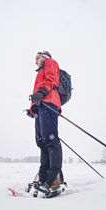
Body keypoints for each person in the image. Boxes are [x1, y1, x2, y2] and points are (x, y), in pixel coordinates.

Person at [27, 51, 64, 193]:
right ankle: (43, 177)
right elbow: (38, 91)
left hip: (49, 104)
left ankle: (54, 178)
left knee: (51, 140)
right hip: (41, 107)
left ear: (43, 56)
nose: (36, 62)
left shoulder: (50, 63)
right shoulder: (40, 70)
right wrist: (32, 109)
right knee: (41, 142)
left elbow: (51, 79)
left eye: (37, 59)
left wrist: (41, 92)